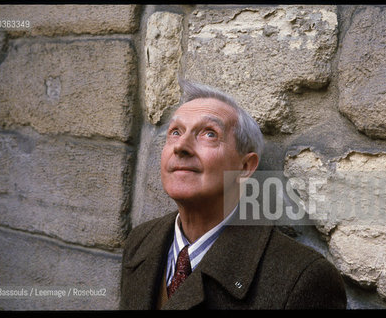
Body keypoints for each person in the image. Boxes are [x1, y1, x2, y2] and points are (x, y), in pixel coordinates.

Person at [120, 80, 347, 309]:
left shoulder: (303, 278)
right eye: (175, 132)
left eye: (209, 134)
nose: (181, 146)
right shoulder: (140, 242)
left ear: (245, 167)